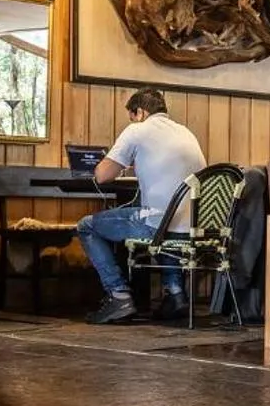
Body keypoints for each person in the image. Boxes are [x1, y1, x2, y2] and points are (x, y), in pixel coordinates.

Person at [76, 87, 207, 324]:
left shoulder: (137, 130)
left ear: (140, 112)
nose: (132, 121)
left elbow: (103, 176)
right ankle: (176, 294)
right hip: (194, 226)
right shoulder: (186, 132)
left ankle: (119, 295)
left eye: (132, 116)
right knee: (164, 221)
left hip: (159, 224)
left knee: (87, 226)